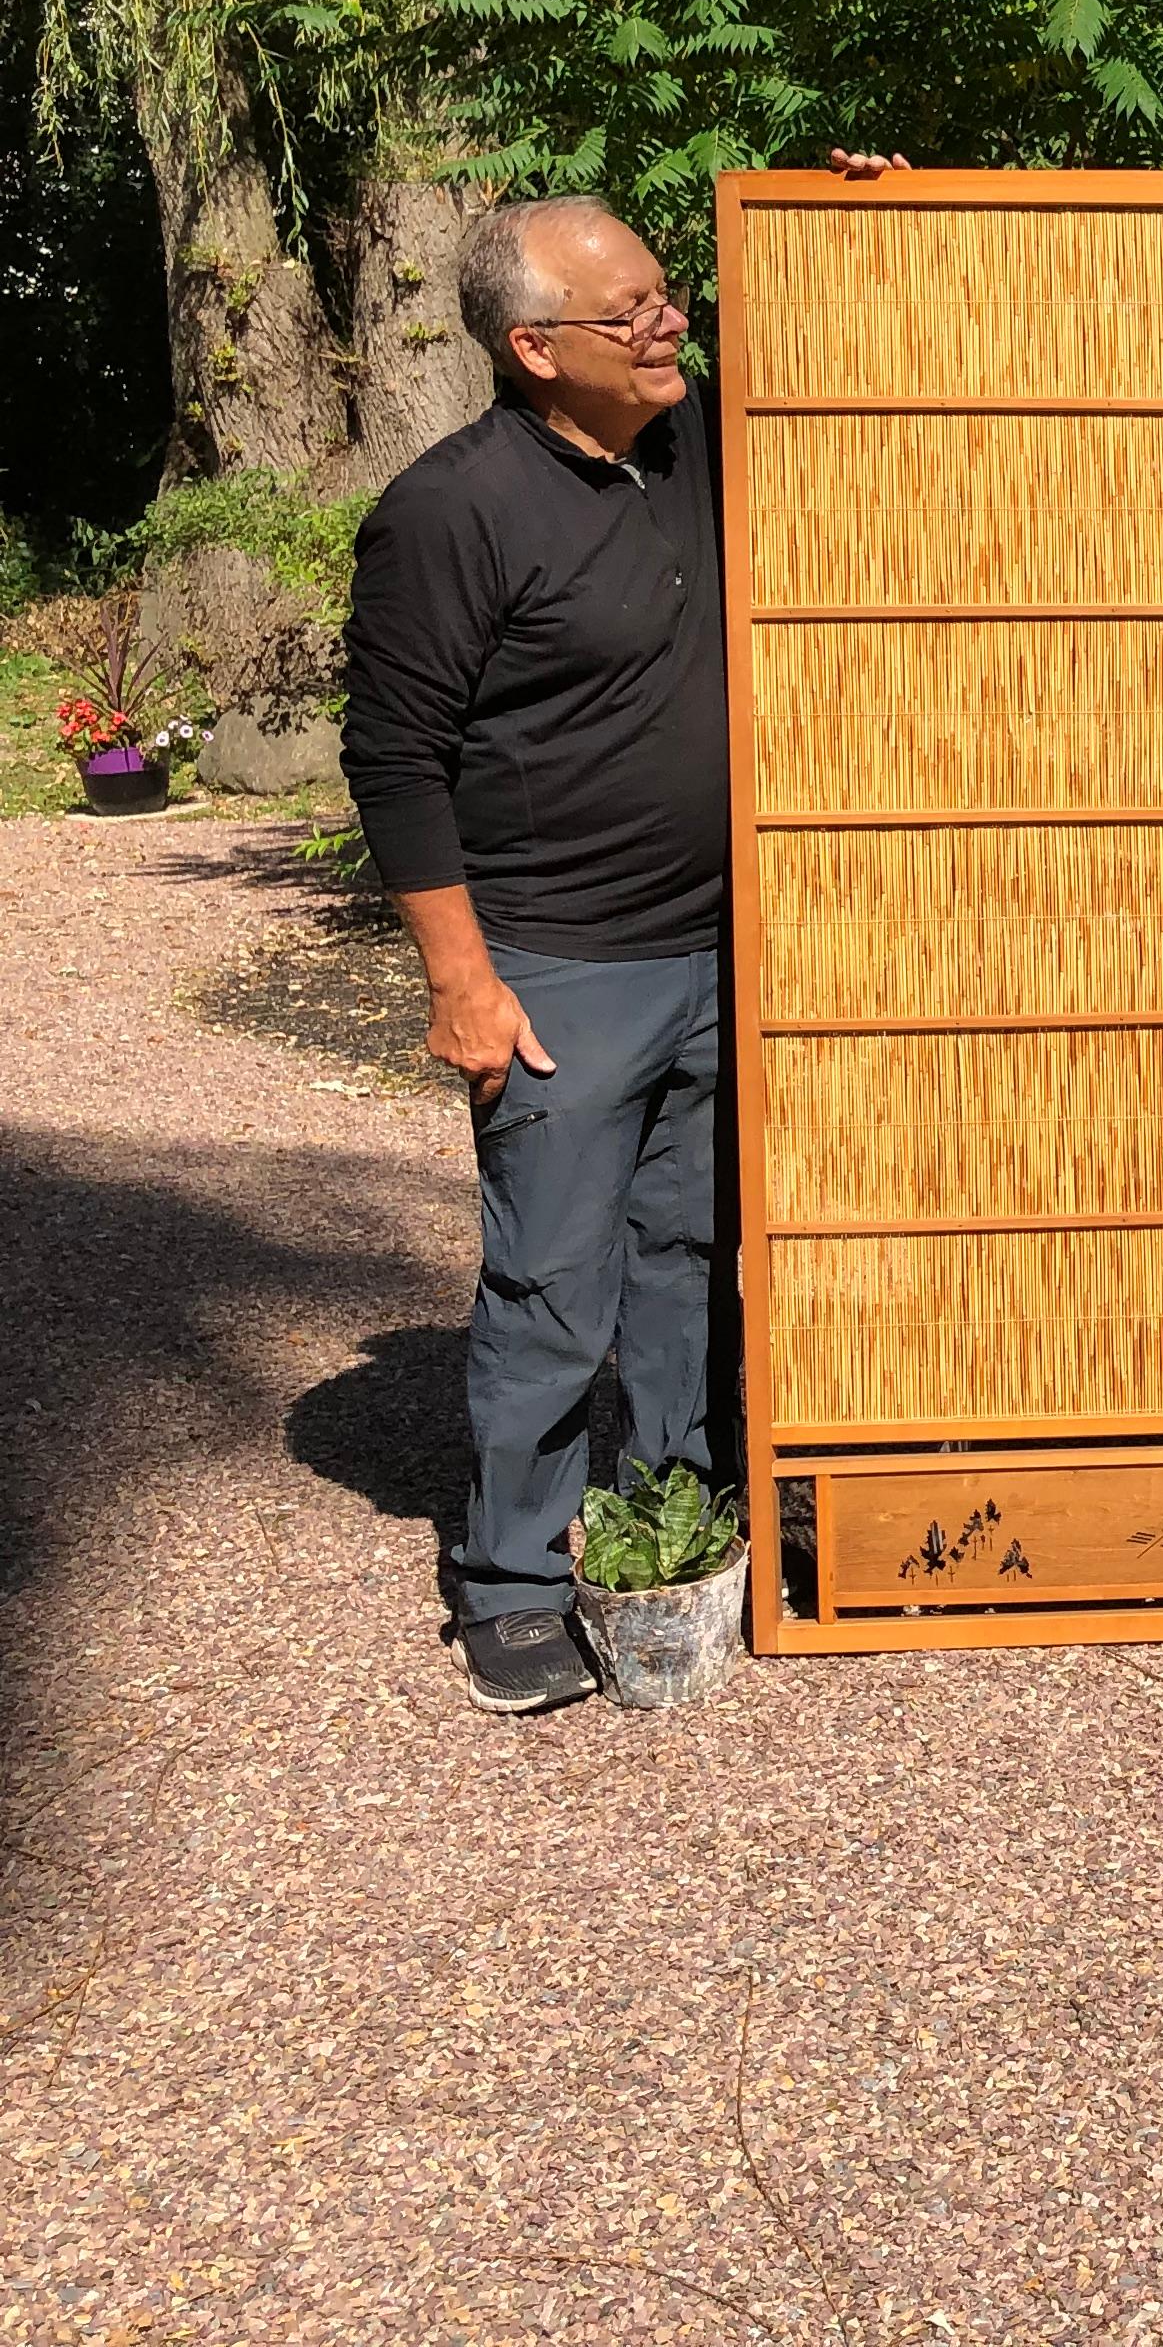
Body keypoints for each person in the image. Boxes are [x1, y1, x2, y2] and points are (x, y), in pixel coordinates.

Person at [344, 196, 733, 1713]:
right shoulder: (455, 509)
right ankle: (508, 1576)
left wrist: (864, 210)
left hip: (725, 947)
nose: (667, 325)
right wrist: (461, 976)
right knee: (555, 1281)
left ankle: (667, 1520)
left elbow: (846, 336)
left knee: (690, 1261)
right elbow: (395, 760)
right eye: (628, 311)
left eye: (666, 296)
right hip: (564, 961)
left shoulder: (688, 441)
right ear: (533, 347)